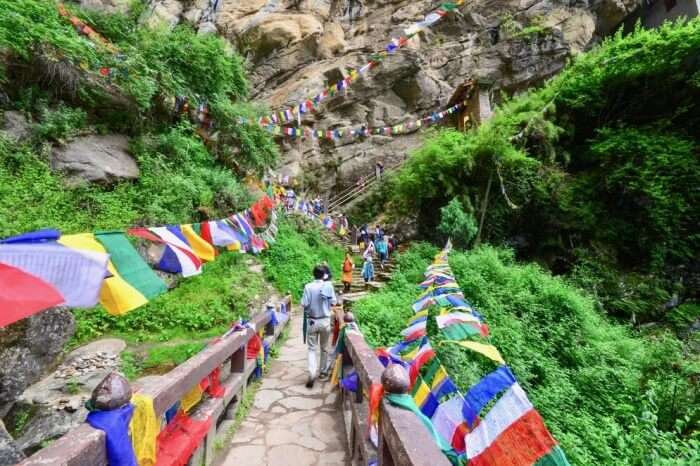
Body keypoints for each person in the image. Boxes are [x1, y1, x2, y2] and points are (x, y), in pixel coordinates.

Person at [301, 265, 337, 388]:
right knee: (324, 348)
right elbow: (334, 302)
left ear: (313, 274)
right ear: (324, 275)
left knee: (312, 349)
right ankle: (322, 372)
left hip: (312, 321)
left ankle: (312, 373)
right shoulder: (328, 286)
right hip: (325, 321)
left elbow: (304, 304)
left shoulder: (308, 287)